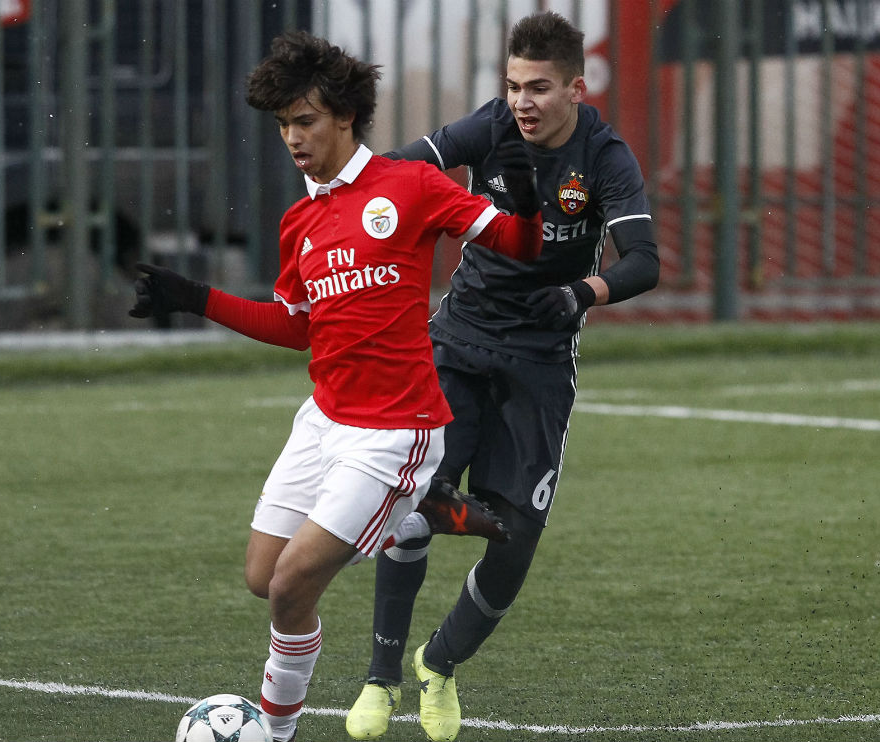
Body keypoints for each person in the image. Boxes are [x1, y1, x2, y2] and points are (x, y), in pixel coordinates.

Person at [129, 31, 544, 742]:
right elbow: (298, 327)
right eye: (284, 124)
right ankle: (416, 516)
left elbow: (521, 246)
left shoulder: (409, 185)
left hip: (395, 431)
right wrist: (195, 297)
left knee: (291, 588)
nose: (292, 137)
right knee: (262, 577)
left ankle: (277, 732)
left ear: (345, 117)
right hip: (324, 419)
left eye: (304, 121)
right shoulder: (302, 220)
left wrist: (529, 200)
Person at [343, 11, 660, 742]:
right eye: (514, 85)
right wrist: (372, 201)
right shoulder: (488, 129)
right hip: (457, 341)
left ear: (576, 88)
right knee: (415, 502)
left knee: (514, 536)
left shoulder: (605, 157)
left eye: (540, 88)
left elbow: (643, 260)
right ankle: (379, 678)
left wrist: (581, 294)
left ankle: (439, 664)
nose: (523, 101)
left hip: (541, 360)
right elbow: (402, 166)